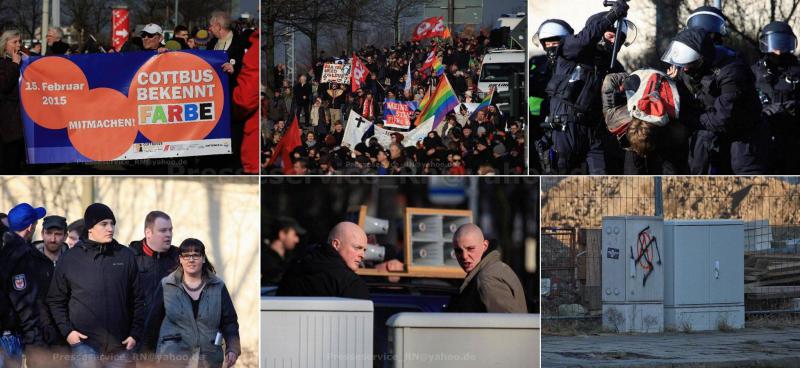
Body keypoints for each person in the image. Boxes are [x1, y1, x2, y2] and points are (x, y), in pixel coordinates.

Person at [47, 203, 146, 367]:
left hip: (120, 346)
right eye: (104, 224)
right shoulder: (70, 258)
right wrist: (68, 332)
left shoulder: (125, 256)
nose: (110, 228)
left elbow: (138, 299)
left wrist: (135, 334)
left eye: (112, 223)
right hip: (84, 347)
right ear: (90, 227)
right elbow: (55, 300)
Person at [662, 29, 766, 174]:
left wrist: (687, 117)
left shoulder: (731, 71)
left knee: (744, 171)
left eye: (688, 64)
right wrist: (676, 84)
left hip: (743, 132)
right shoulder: (689, 69)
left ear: (701, 59)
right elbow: (695, 99)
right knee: (699, 163)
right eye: (682, 64)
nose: (684, 69)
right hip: (713, 129)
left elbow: (721, 119)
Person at [545, 2, 632, 174]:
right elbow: (585, 40)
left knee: (602, 180)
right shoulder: (571, 50)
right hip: (566, 126)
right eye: (610, 35)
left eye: (618, 38)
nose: (614, 42)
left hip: (594, 131)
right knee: (562, 180)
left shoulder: (613, 66)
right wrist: (611, 16)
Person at [143, 239, 240, 367]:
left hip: (208, 360)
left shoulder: (218, 287)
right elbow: (153, 324)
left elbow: (229, 322)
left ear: (203, 258)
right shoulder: (167, 286)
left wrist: (232, 348)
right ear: (180, 259)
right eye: (186, 255)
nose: (191, 259)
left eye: (196, 255)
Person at [0, 203, 66, 367]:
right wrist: (36, 344)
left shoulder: (5, 249)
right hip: (9, 336)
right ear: (30, 227)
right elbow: (25, 303)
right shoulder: (21, 254)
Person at [445, 224, 527, 313]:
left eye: (470, 248)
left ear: (484, 246)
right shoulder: (494, 269)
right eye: (458, 251)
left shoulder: (487, 278)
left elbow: (506, 325)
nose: (464, 256)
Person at [752, 21, 799, 174]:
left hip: (792, 137)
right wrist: (764, 110)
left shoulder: (797, 72)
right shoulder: (753, 73)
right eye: (775, 45)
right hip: (763, 136)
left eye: (783, 45)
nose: (778, 52)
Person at [277, 222, 370, 299]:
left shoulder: (294, 268)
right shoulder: (351, 284)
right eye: (357, 248)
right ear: (336, 244)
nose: (362, 255)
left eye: (364, 250)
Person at [129, 211, 179, 309]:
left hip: (169, 322)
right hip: (139, 322)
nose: (169, 234)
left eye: (170, 230)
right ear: (148, 233)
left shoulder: (179, 258)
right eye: (163, 230)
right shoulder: (130, 257)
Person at [0, 30, 24, 174]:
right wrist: (15, 64)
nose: (18, 45)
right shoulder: (3, 63)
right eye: (14, 42)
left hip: (19, 120)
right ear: (4, 44)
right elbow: (3, 85)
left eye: (19, 41)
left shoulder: (21, 60)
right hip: (7, 123)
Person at [262, 217, 305, 286]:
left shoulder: (286, 260)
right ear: (282, 234)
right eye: (294, 235)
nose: (297, 240)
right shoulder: (265, 263)